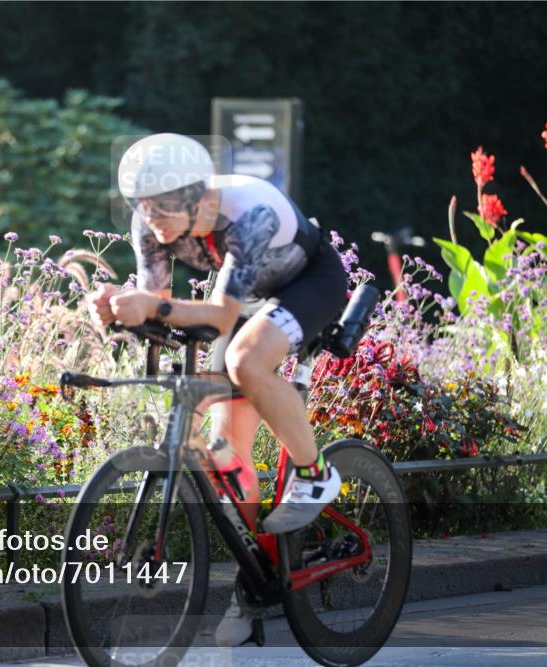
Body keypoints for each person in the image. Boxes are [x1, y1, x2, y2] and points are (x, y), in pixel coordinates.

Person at [87, 133, 349, 646]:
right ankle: (255, 582)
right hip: (247, 298)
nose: (154, 219)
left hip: (309, 283)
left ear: (201, 197)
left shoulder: (249, 213)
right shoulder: (151, 223)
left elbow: (220, 317)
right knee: (226, 454)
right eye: (143, 207)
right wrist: (119, 306)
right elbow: (159, 302)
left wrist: (150, 307)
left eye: (165, 207)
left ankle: (316, 473)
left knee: (245, 360)